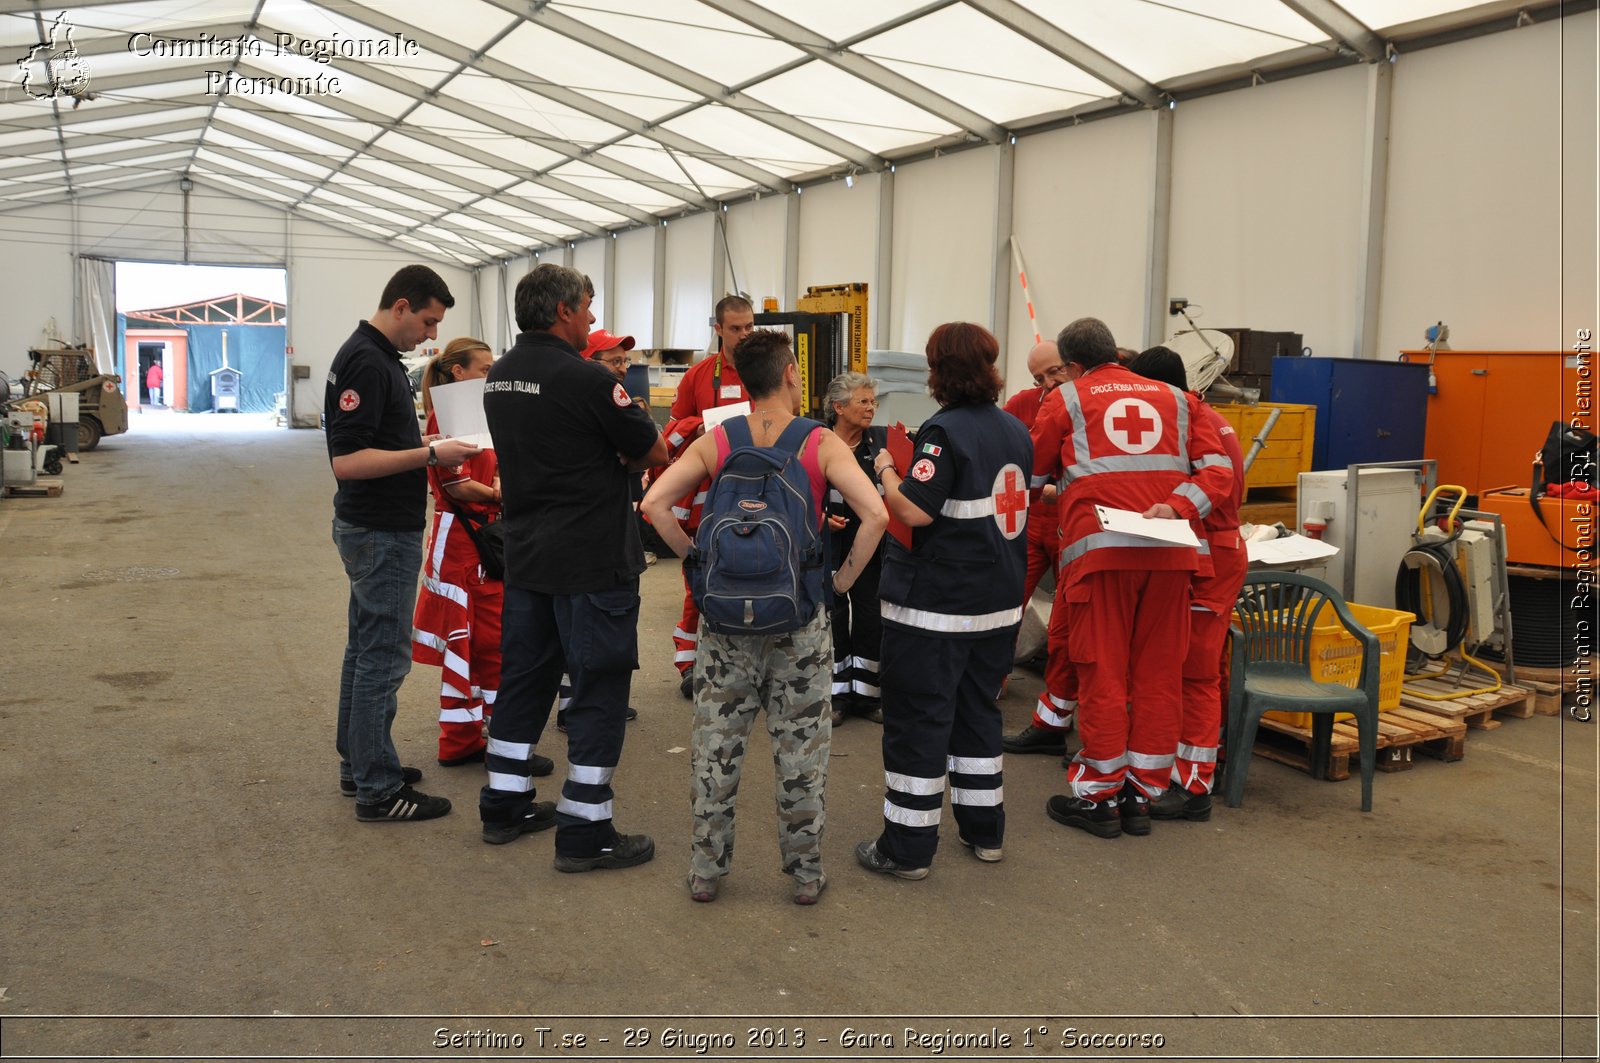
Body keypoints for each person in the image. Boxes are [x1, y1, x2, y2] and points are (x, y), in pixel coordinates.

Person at [641, 329, 887, 905]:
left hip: (724, 622)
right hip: (798, 617)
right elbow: (874, 515)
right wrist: (840, 583)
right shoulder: (822, 441)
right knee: (801, 751)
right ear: (791, 376)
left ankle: (706, 870)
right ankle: (804, 875)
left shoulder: (717, 438)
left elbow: (653, 504)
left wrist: (698, 566)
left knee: (715, 747)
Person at [478, 263, 669, 868]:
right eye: (587, 307)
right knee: (599, 686)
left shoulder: (500, 376)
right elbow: (654, 449)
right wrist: (615, 454)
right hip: (590, 559)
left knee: (525, 679)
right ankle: (587, 829)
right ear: (563, 310)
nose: (591, 317)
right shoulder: (587, 380)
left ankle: (504, 802)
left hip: (529, 555)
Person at [1029, 317, 1233, 840]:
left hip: (1101, 558)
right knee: (1159, 674)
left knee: (1103, 670)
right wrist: (1177, 506)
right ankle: (1143, 794)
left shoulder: (1068, 399)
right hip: (1170, 553)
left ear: (1073, 365)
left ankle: (1100, 795)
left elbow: (1030, 474)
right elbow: (1219, 472)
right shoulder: (1180, 400)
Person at [856, 322, 1032, 880]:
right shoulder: (1015, 429)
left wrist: (886, 467)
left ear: (939, 370)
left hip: (935, 610)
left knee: (918, 721)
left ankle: (906, 849)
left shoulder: (942, 433)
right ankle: (986, 833)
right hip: (997, 605)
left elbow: (913, 511)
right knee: (978, 715)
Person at [326, 263, 480, 822]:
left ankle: (361, 763)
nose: (432, 336)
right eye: (429, 321)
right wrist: (430, 455)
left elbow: (376, 441)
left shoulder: (375, 358)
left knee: (363, 650)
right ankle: (378, 788)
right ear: (401, 307)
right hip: (380, 530)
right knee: (382, 660)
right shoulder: (366, 361)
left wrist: (423, 441)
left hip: (376, 526)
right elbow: (348, 461)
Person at [410, 338, 554, 776]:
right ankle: (460, 739)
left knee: (492, 639)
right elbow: (455, 485)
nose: (492, 375)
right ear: (458, 372)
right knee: (464, 641)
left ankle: (492, 732)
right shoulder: (448, 416)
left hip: (486, 537)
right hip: (460, 541)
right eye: (485, 368)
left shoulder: (481, 414)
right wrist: (500, 496)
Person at [1126, 346, 1246, 822]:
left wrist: (1172, 508)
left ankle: (1194, 787)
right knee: (1192, 669)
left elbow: (1215, 482)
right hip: (1207, 553)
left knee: (1193, 675)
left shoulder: (1193, 419)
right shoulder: (1201, 415)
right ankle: (1169, 766)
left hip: (1210, 558)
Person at [662, 296, 757, 698]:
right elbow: (669, 434)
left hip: (757, 491)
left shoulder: (770, 369)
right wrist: (699, 429)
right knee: (700, 579)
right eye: (735, 328)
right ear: (718, 329)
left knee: (752, 578)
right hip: (709, 496)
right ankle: (689, 662)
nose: (744, 334)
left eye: (750, 326)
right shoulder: (698, 376)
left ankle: (745, 663)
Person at [1001, 340, 1077, 757]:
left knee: (1069, 624)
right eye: (1039, 378)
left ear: (1074, 365)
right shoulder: (1024, 403)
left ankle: (1059, 713)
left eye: (1054, 372)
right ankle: (994, 677)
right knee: (1007, 600)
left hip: (1073, 528)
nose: (1048, 383)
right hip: (1031, 525)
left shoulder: (1087, 406)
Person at [823, 371, 888, 727]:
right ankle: (836, 695)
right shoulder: (816, 440)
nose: (870, 408)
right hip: (828, 545)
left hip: (870, 546)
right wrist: (818, 517)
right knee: (832, 617)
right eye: (862, 401)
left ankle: (867, 695)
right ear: (838, 407)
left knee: (870, 616)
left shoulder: (879, 442)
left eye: (872, 401)